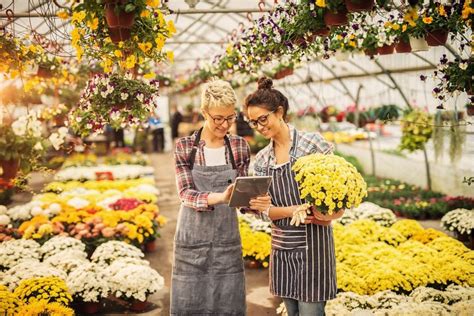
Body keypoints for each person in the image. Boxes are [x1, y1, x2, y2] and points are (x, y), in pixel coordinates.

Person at [243, 77, 344, 316]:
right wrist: (291, 210)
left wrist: (327, 214)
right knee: (291, 312)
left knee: (310, 312)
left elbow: (339, 194)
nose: (259, 126)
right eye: (253, 122)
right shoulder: (263, 159)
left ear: (279, 112)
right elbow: (265, 212)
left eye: (262, 119)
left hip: (313, 247)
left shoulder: (311, 144)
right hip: (282, 248)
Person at [171, 79, 250, 316]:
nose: (224, 124)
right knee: (190, 303)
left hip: (227, 238)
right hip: (192, 239)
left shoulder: (239, 146)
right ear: (204, 112)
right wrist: (221, 197)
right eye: (218, 118)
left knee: (229, 304)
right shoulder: (185, 147)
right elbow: (186, 194)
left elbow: (243, 198)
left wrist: (255, 202)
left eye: (230, 117)